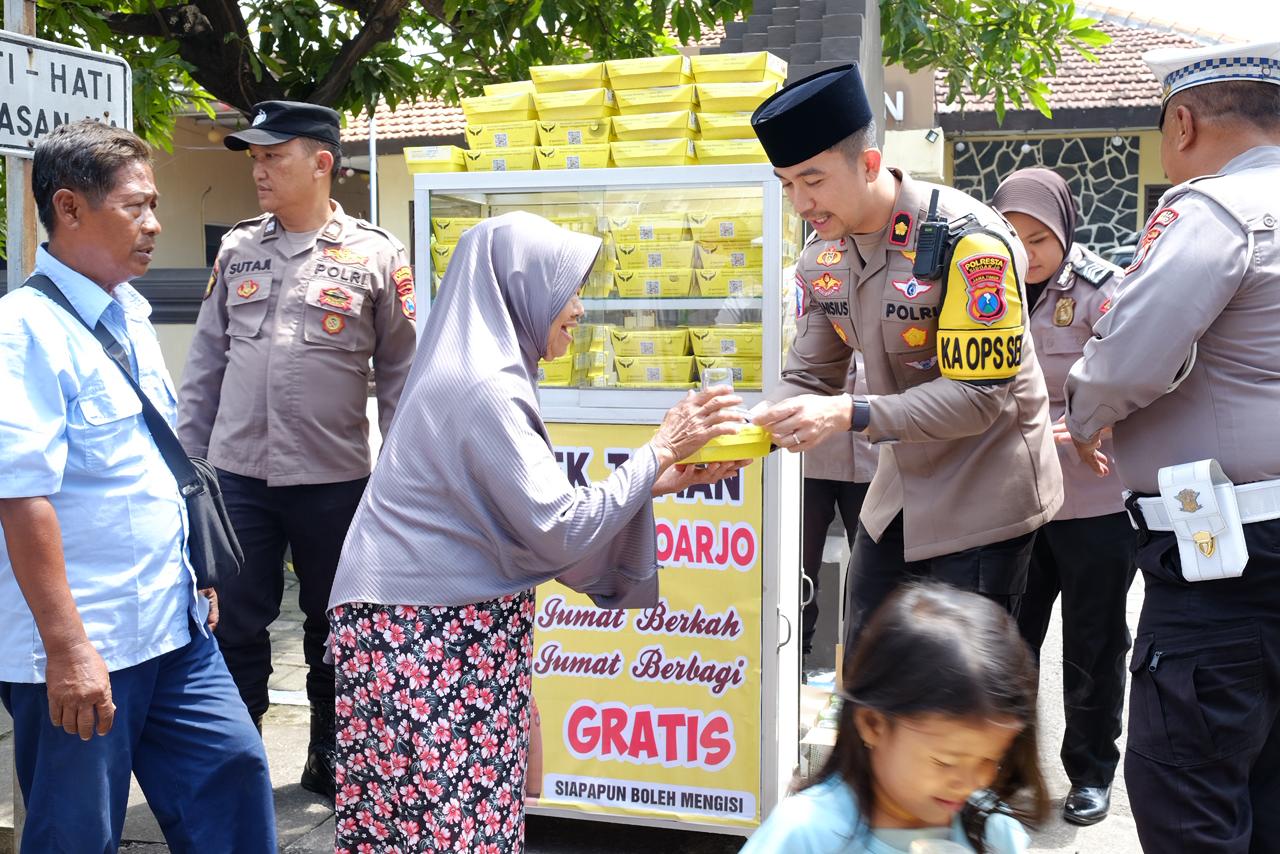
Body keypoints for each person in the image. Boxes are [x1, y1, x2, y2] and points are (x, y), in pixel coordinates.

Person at [326, 212, 747, 852]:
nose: (577, 309)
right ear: (520, 290)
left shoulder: (485, 371)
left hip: (435, 624)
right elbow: (556, 528)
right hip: (421, 632)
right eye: (567, 290)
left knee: (443, 825)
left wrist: (659, 478)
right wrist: (658, 452)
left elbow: (528, 517)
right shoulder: (485, 387)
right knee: (448, 831)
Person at [0, 120, 275, 852]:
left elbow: (149, 464)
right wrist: (68, 650)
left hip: (172, 627)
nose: (155, 225)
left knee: (235, 779)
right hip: (88, 646)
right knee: (77, 833)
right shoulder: (22, 332)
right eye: (135, 207)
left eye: (155, 205)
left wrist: (195, 572)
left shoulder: (130, 310)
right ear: (69, 208)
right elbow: (20, 496)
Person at [749, 64, 1063, 652]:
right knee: (869, 675)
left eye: (811, 180)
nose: (799, 203)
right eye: (787, 184)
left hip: (984, 495)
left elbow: (977, 400)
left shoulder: (969, 242)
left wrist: (850, 414)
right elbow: (809, 378)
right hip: (897, 491)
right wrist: (747, 431)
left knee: (958, 704)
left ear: (869, 164)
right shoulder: (823, 255)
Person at [1063, 40, 1280, 852]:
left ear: (1182, 122)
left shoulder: (1213, 212)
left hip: (1227, 565)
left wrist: (1088, 417)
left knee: (1191, 795)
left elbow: (1123, 360)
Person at [177, 99, 418, 797]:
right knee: (234, 628)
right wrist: (190, 473)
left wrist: (399, 481)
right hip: (238, 480)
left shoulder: (376, 254)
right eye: (254, 156)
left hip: (336, 479)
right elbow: (205, 366)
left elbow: (403, 374)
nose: (259, 170)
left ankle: (329, 757)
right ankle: (235, 765)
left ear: (321, 163)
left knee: (334, 625)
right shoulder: (237, 248)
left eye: (273, 156)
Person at [990, 168, 1136, 827]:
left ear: (1065, 231)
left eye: (1039, 237)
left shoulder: (1107, 290)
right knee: (1009, 643)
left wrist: (1088, 419)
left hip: (1094, 500)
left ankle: (1090, 773)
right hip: (1014, 500)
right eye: (1011, 237)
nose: (1026, 251)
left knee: (1095, 643)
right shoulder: (982, 291)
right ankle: (1002, 773)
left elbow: (1143, 378)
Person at [742, 583, 1048, 853]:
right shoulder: (805, 834)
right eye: (945, 761)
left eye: (989, 761)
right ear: (873, 725)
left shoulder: (990, 830)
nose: (970, 782)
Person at [802, 354, 876, 662]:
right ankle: (796, 664)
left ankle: (862, 672)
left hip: (874, 459)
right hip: (807, 462)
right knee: (799, 571)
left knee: (870, 575)